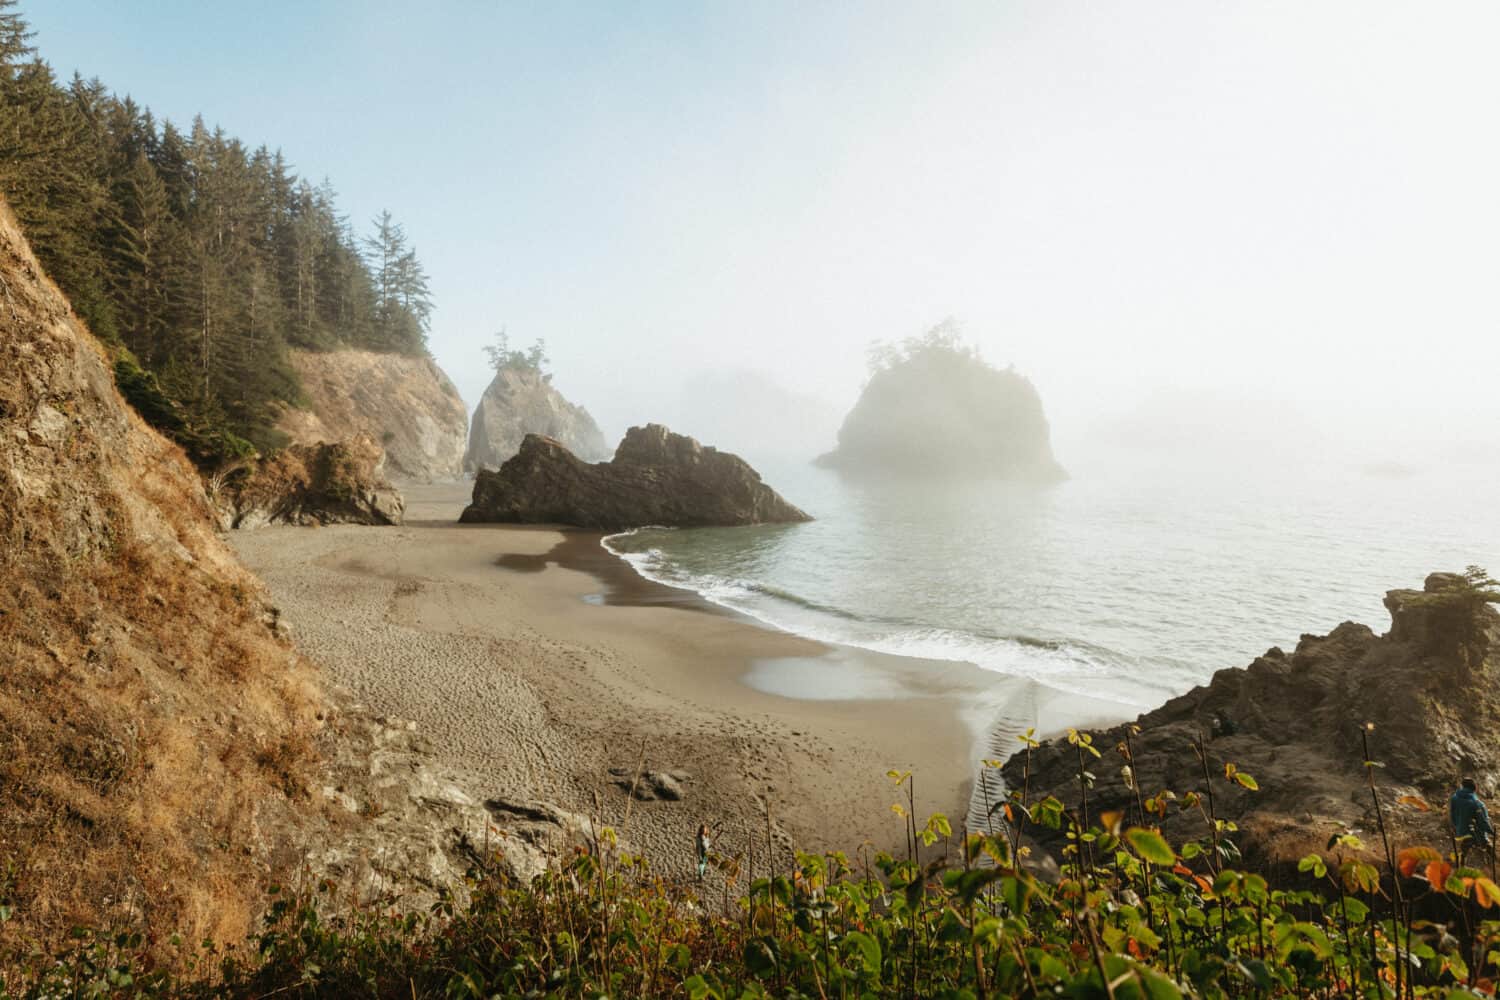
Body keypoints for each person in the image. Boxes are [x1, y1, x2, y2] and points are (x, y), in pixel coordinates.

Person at [1450, 778, 1494, 860]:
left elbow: (1452, 815)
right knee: (1487, 845)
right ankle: (1495, 863)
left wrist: (1455, 827)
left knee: (1464, 848)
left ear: (1462, 787)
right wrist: (1491, 831)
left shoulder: (1454, 798)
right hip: (1474, 833)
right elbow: (1483, 821)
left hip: (1459, 831)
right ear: (1474, 788)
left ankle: (1462, 863)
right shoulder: (1477, 803)